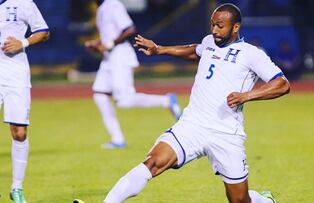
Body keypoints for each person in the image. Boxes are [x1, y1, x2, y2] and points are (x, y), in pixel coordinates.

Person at [103, 3, 290, 203]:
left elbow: (282, 84)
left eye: (220, 25)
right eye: (213, 25)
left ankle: (265, 201)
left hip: (226, 133)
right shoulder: (209, 42)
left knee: (239, 200)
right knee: (153, 162)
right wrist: (159, 50)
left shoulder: (251, 54)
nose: (214, 30)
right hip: (192, 125)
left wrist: (247, 96)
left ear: (235, 27)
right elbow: (196, 51)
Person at [84, 0, 182, 149]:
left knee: (124, 101)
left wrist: (108, 44)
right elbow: (110, 35)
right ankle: (117, 139)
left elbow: (129, 29)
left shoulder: (112, 4)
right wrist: (98, 43)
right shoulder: (102, 8)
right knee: (99, 95)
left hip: (120, 56)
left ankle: (167, 101)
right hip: (109, 59)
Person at [0, 0, 50, 202]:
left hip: (15, 74)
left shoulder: (22, 2)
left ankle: (17, 187)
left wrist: (23, 43)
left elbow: (44, 31)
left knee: (19, 133)